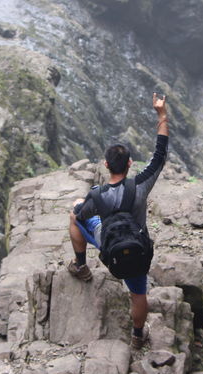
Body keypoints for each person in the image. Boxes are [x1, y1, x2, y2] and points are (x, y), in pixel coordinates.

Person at [67, 92, 169, 349]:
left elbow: (82, 215)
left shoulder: (97, 196)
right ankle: (137, 336)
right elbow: (160, 156)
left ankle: (81, 265)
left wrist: (81, 207)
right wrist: (161, 115)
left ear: (106, 165)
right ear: (130, 164)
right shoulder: (140, 186)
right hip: (137, 245)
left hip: (108, 241)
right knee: (138, 294)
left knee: (73, 215)